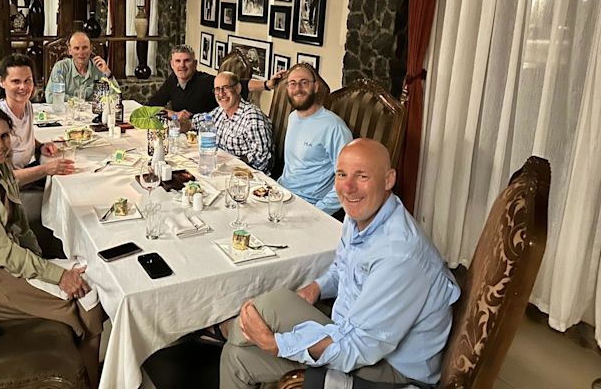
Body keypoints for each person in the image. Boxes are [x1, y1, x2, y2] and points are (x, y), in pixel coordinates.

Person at [217, 139, 461, 389]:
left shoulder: (399, 254)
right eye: (341, 174)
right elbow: (342, 268)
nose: (348, 187)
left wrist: (276, 344)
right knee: (236, 357)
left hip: (392, 368)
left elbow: (359, 347)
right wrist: (317, 288)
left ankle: (225, 327)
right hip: (351, 328)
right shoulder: (360, 217)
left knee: (271, 306)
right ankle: (235, 331)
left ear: (389, 180)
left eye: (362, 176)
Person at [0, 105, 103, 386]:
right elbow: (3, 253)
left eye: (4, 136)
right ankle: (86, 375)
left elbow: (22, 227)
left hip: (9, 261)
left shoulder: (1, 169)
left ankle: (92, 372)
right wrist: (58, 276)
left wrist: (42, 262)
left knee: (92, 283)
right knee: (85, 301)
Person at [278, 63, 352, 216]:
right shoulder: (292, 117)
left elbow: (347, 181)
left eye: (304, 82)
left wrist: (317, 212)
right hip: (280, 196)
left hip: (307, 206)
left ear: (316, 87)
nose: (298, 88)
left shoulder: (334, 127)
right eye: (292, 83)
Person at [0, 53, 73, 186]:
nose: (23, 87)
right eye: (16, 81)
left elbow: (22, 138)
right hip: (11, 188)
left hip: (25, 170)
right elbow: (4, 178)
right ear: (2, 82)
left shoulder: (28, 106)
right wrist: (46, 169)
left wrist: (40, 146)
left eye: (28, 80)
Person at [148, 45, 283, 121]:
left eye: (187, 61)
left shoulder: (205, 81)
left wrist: (267, 85)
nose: (182, 66)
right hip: (184, 131)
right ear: (172, 64)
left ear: (195, 64)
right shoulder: (173, 80)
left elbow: (240, 83)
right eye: (178, 61)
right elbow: (151, 106)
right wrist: (174, 114)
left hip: (208, 134)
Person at [190, 71, 273, 174]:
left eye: (226, 88)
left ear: (238, 89)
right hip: (221, 170)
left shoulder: (253, 118)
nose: (221, 94)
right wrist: (177, 118)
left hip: (247, 177)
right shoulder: (220, 111)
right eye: (217, 89)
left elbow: (263, 160)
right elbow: (197, 122)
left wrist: (231, 164)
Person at [45, 31, 113, 103]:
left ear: (91, 49)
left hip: (93, 113)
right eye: (76, 48)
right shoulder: (60, 68)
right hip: (67, 113)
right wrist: (78, 101)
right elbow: (51, 97)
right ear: (70, 51)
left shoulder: (99, 67)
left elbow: (115, 97)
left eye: (85, 48)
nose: (81, 53)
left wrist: (107, 73)